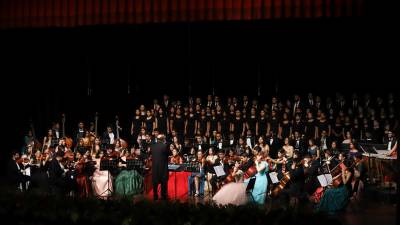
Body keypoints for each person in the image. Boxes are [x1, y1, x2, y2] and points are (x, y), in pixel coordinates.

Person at [151, 134, 169, 200]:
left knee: (155, 182)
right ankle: (163, 196)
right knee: (163, 182)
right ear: (163, 139)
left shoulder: (152, 146)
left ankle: (155, 195)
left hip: (155, 167)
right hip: (163, 168)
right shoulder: (164, 146)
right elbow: (167, 155)